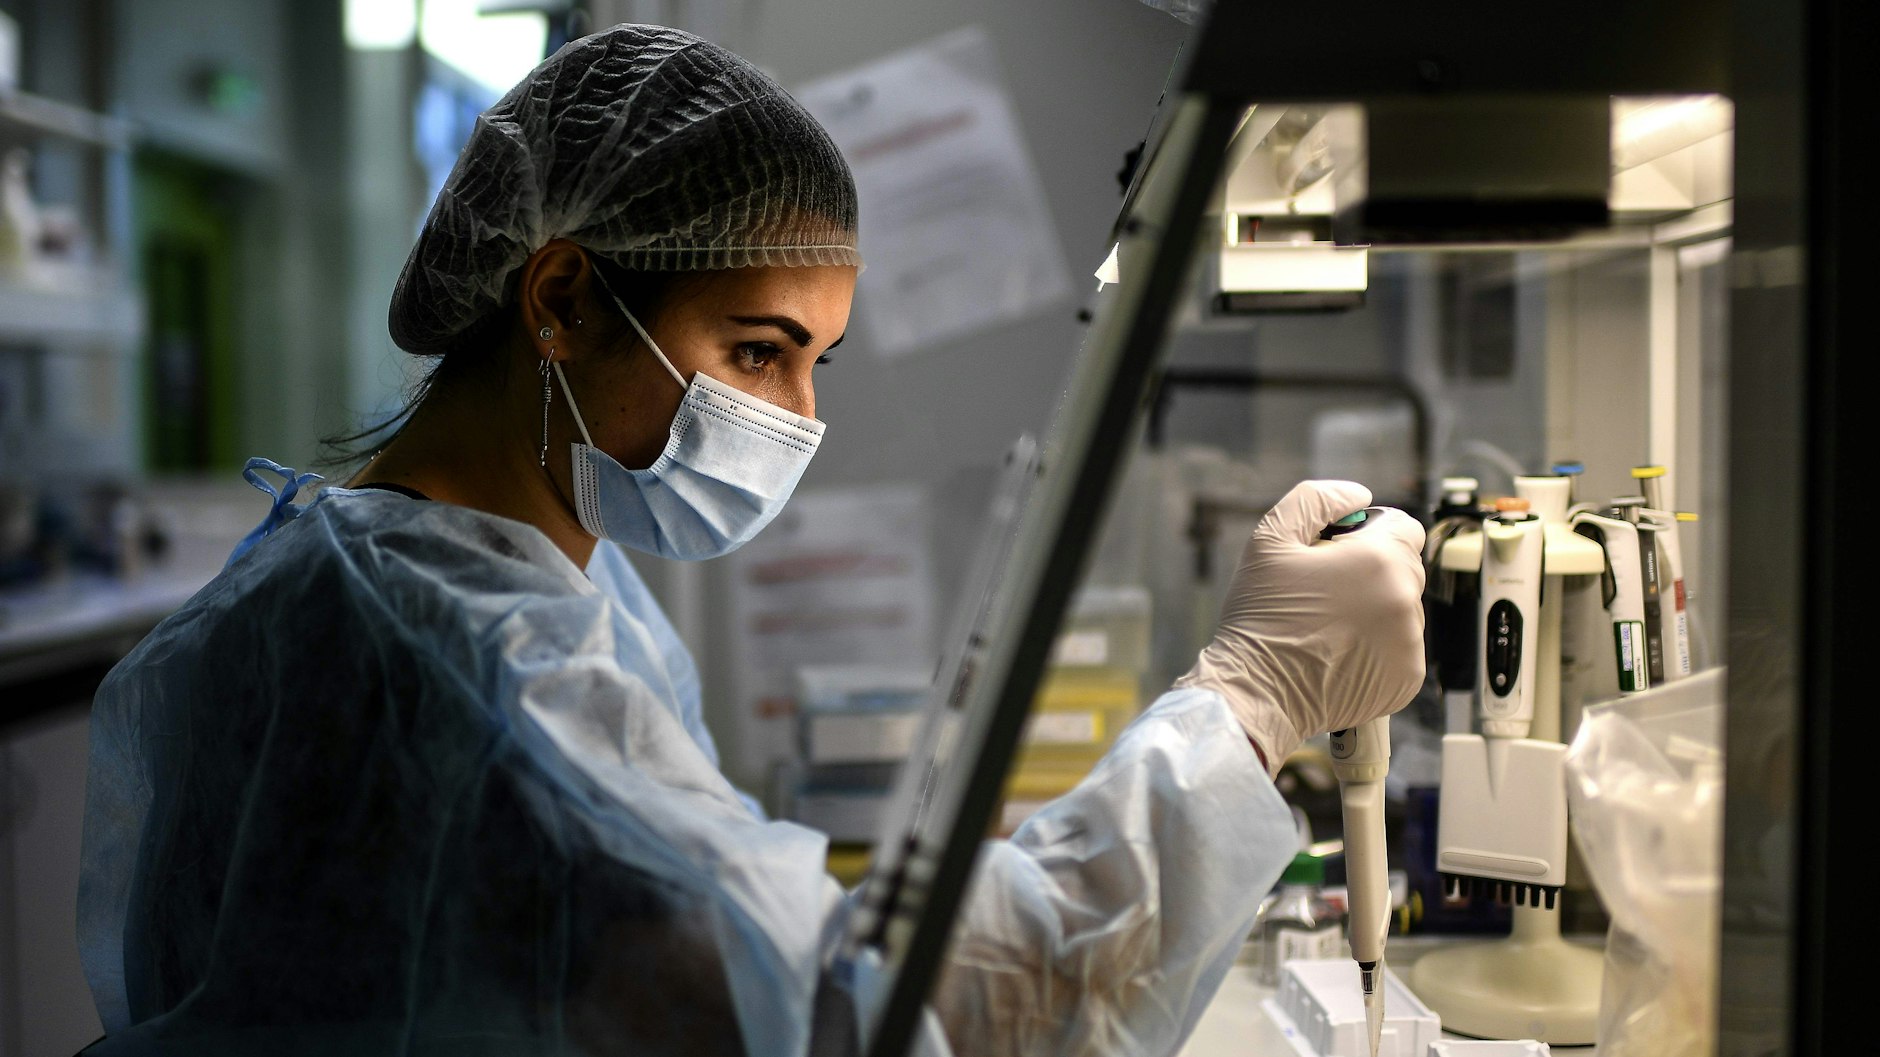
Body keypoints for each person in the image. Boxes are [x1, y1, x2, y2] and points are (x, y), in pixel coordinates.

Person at [76, 24, 1426, 1057]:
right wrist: (1254, 697)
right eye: (759, 351)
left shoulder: (376, 571)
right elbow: (879, 1019)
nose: (799, 417)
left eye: (818, 360)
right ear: (558, 296)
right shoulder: (477, 666)